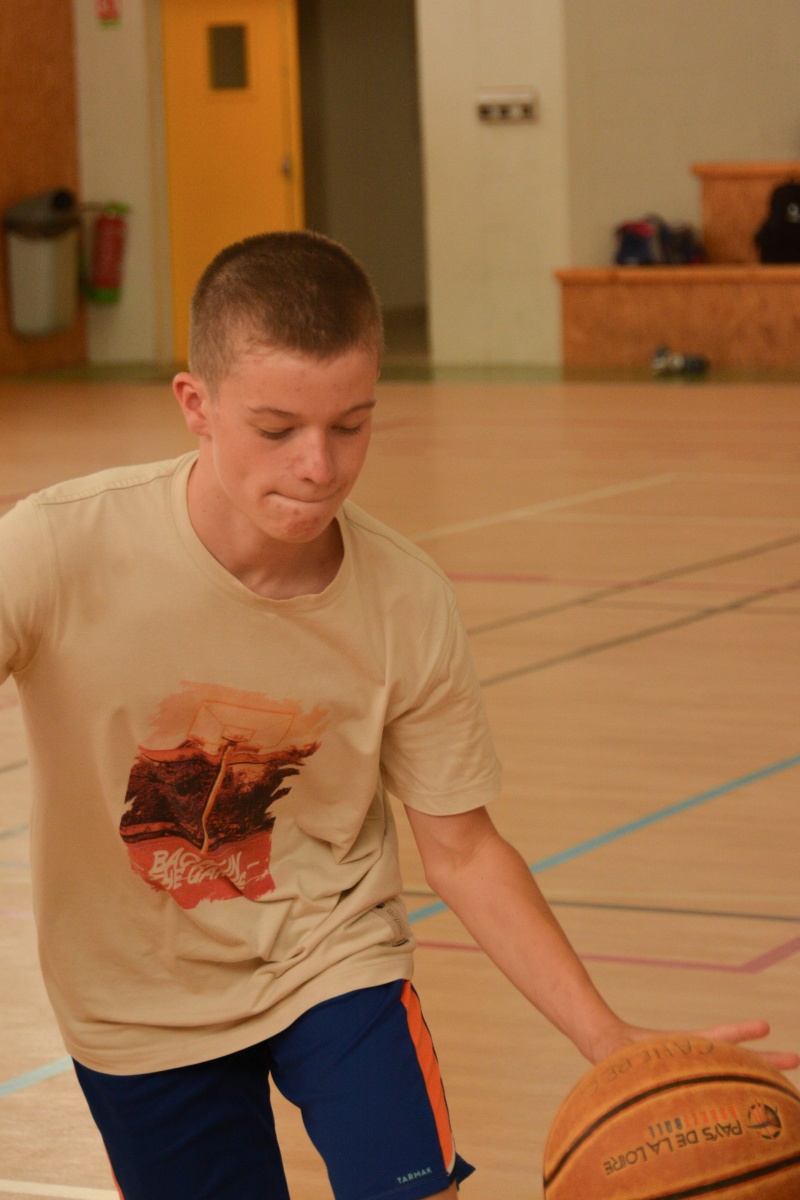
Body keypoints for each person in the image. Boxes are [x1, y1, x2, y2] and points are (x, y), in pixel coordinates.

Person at [0, 231, 795, 1200]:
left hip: (330, 953)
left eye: (351, 425)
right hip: (132, 998)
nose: (318, 466)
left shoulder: (405, 600)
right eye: (277, 428)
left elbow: (463, 850)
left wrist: (606, 1038)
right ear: (195, 405)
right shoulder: (56, 548)